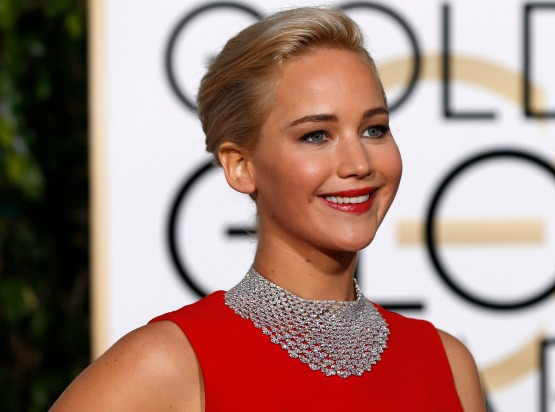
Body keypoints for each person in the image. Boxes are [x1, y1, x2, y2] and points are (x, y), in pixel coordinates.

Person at [52, 6, 486, 411]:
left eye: (374, 129)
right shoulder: (172, 362)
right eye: (316, 135)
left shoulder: (446, 363)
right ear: (241, 167)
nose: (359, 164)